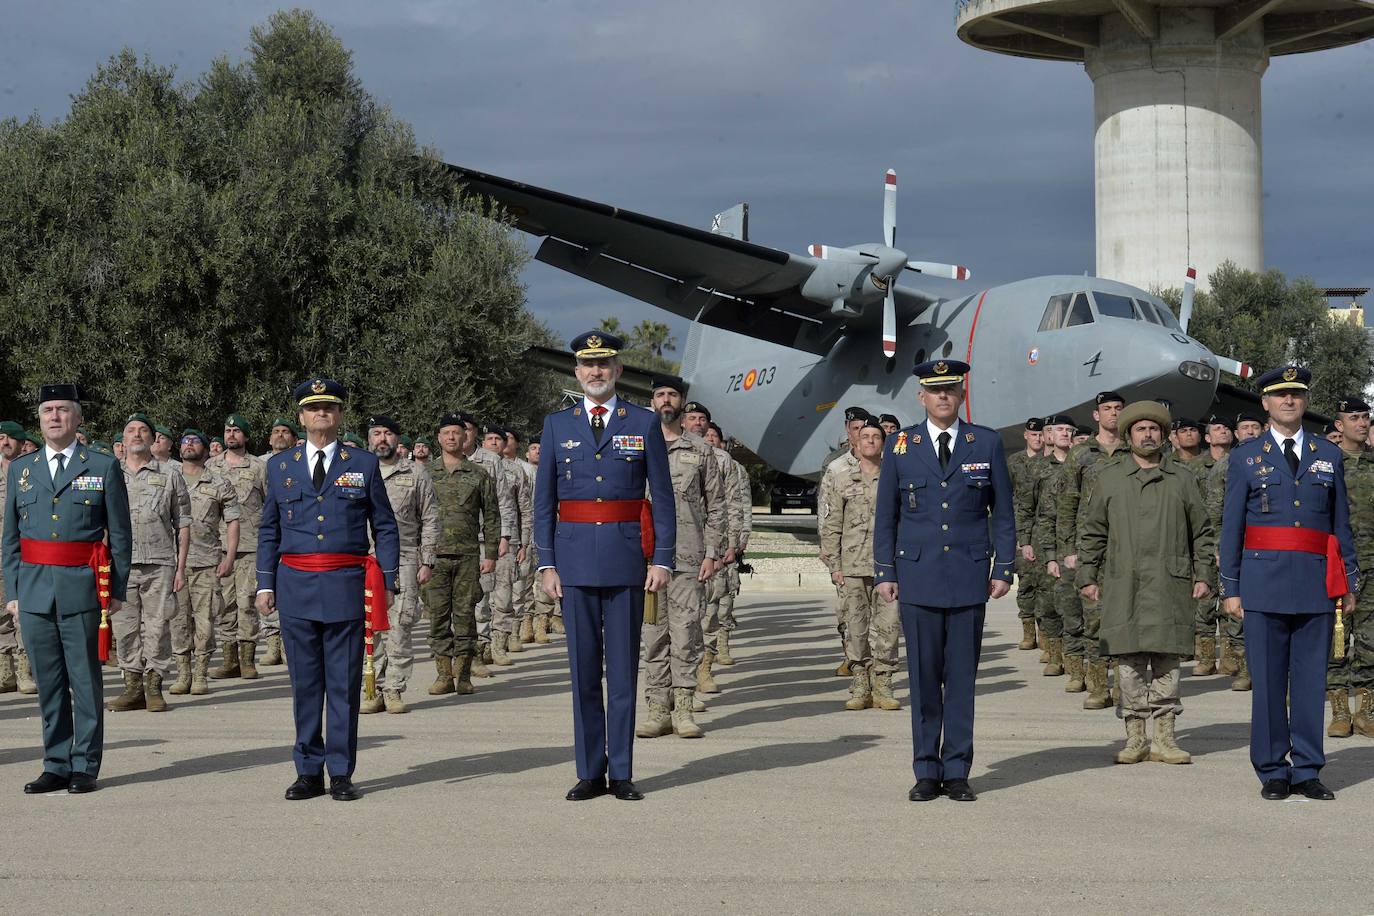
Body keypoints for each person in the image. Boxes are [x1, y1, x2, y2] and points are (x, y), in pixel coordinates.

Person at [535, 330, 675, 802]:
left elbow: (664, 498)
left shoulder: (643, 422)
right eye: (587, 365)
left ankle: (622, 772)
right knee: (582, 672)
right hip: (572, 560)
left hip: (625, 558)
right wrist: (546, 563)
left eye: (604, 364)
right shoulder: (557, 424)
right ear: (577, 372)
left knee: (622, 671)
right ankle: (589, 771)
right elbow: (544, 502)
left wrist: (663, 559)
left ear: (617, 371)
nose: (596, 372)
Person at [874, 359, 1015, 803]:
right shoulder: (901, 445)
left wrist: (1003, 567)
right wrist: (885, 572)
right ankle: (925, 771)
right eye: (935, 391)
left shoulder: (986, 443)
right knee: (922, 678)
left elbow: (1004, 515)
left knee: (960, 680)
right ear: (922, 397)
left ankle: (957, 770)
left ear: (960, 395)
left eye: (951, 389)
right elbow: (886, 518)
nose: (943, 397)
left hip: (969, 578)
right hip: (917, 576)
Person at [255, 377, 400, 802]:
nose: (322, 414)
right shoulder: (280, 465)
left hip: (345, 586)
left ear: (339, 416)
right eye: (314, 408)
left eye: (330, 408)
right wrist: (265, 583)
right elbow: (269, 529)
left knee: (342, 683)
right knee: (304, 685)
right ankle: (307, 771)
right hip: (296, 585)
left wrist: (387, 581)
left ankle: (340, 771)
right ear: (301, 416)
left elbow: (385, 526)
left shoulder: (364, 463)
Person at [1219, 365, 1358, 801]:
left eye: (1297, 394)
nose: (1290, 401)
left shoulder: (1328, 454)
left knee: (1311, 680)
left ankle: (1308, 770)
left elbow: (1341, 525)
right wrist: (1231, 587)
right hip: (1263, 581)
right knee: (1268, 680)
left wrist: (1349, 580)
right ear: (1265, 403)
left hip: (1316, 582)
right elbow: (1231, 526)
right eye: (1281, 395)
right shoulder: (1245, 456)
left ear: (1305, 401)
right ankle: (1273, 769)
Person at [3, 384, 132, 794]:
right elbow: (10, 537)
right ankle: (55, 762)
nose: (54, 417)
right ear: (39, 420)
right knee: (49, 681)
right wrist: (13, 591)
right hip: (35, 589)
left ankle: (84, 765)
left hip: (82, 587)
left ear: (77, 418)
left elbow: (121, 535)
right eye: (47, 411)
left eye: (62, 410)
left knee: (85, 680)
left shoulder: (102, 466)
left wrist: (116, 589)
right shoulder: (22, 469)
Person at [1077, 401, 1214, 764]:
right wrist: (1088, 575)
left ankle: (1165, 738)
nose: (1148, 434)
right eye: (1140, 429)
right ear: (1128, 435)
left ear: (1164, 435)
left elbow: (1202, 532)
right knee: (1130, 660)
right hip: (1126, 584)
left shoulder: (1182, 478)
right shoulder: (1110, 478)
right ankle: (1135, 737)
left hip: (1171, 582)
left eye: (1154, 428)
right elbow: (1092, 532)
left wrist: (1204, 575)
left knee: (1168, 660)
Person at [636, 375, 725, 738]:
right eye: (660, 394)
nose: (666, 400)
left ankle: (684, 708)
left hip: (688, 557)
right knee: (653, 634)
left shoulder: (699, 450)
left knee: (686, 632)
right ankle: (658, 708)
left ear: (683, 401)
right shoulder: (637, 445)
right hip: (645, 560)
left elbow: (716, 505)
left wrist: (713, 552)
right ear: (653, 401)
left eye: (672, 394)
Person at [108, 413, 190, 713]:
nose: (137, 435)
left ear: (154, 439)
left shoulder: (171, 474)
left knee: (158, 626)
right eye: (131, 430)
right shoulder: (110, 473)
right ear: (124, 438)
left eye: (144, 430)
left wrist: (180, 568)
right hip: (121, 564)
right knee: (125, 628)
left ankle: (154, 686)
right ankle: (132, 687)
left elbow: (183, 523)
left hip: (160, 563)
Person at [821, 418, 901, 711]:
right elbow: (831, 523)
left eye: (875, 437)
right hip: (852, 566)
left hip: (887, 567)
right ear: (856, 441)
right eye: (864, 436)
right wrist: (834, 565)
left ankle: (883, 683)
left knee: (889, 627)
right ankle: (859, 683)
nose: (869, 441)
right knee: (856, 627)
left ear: (884, 442)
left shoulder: (895, 477)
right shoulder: (843, 478)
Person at [362, 414, 438, 715]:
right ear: (369, 438)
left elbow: (430, 517)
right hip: (364, 557)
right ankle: (371, 687)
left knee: (400, 623)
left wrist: (427, 560)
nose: (382, 439)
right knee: (368, 625)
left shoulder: (416, 472)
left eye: (388, 433)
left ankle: (393, 688)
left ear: (397, 438)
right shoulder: (357, 469)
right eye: (377, 433)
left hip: (405, 556)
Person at [1056, 392, 1126, 708]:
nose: (1113, 413)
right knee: (1093, 618)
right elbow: (1067, 502)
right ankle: (1099, 687)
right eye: (1107, 409)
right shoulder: (1081, 454)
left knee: (1127, 619)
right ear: (1096, 416)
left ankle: (1127, 687)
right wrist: (1067, 549)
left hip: (1129, 547)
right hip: (1091, 549)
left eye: (1118, 409)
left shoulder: (1134, 450)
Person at [422, 413, 498, 697]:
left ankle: (463, 674)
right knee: (438, 616)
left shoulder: (479, 474)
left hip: (467, 556)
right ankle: (443, 674)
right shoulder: (426, 473)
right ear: (439, 438)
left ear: (466, 437)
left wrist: (490, 553)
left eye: (457, 432)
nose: (452, 437)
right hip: (434, 557)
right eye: (447, 433)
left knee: (465, 615)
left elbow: (491, 515)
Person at [169, 429, 239, 696]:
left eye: (195, 440)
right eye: (185, 441)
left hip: (207, 561)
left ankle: (200, 673)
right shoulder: (168, 479)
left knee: (205, 620)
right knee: (177, 620)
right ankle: (182, 673)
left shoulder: (219, 483)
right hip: (173, 562)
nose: (188, 444)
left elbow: (233, 521)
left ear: (206, 448)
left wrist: (229, 557)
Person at [206, 414, 273, 677]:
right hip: (218, 546)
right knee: (224, 605)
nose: (231, 435)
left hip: (250, 545)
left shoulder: (258, 467)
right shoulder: (211, 466)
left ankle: (247, 660)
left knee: (247, 603)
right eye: (228, 430)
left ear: (245, 437)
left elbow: (270, 504)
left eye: (236, 431)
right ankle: (229, 659)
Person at [1327, 397, 1374, 738]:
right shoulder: (1327, 464)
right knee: (1337, 640)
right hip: (1338, 567)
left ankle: (1366, 711)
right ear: (1339, 426)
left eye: (1365, 417)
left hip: (1373, 565)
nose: (1362, 423)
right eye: (1354, 418)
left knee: (1371, 640)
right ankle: (1340, 710)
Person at [817, 405, 873, 676]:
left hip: (875, 555)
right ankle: (851, 657)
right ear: (848, 432)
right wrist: (829, 554)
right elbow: (826, 512)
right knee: (848, 610)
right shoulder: (836, 467)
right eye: (855, 429)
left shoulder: (885, 463)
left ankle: (872, 662)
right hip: (846, 555)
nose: (861, 434)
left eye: (865, 429)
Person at [1200, 414, 1249, 690]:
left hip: (1264, 549)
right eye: (1245, 428)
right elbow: (1215, 513)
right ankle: (1242, 666)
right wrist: (1219, 548)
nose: (1251, 432)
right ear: (1237, 433)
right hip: (1234, 549)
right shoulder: (1225, 466)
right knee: (1234, 609)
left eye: (1256, 427)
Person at [701, 422, 750, 672]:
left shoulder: (732, 466)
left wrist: (740, 538)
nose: (710, 438)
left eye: (714, 435)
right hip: (697, 541)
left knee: (724, 596)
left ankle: (721, 643)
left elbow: (740, 504)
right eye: (707, 435)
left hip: (724, 543)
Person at [1033, 416, 1076, 676]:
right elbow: (1030, 507)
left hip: (1081, 544)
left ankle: (1077, 665)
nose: (1065, 434)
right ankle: (1056, 656)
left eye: (1069, 430)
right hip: (1049, 542)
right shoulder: (1038, 468)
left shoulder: (1084, 464)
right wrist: (1026, 541)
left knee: (1078, 605)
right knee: (1050, 601)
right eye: (1059, 429)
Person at [0, 420, 38, 694]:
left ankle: (26, 670)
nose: (4, 443)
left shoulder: (33, 471)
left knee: (23, 612)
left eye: (9, 438)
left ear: (21, 442)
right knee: (1, 615)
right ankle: (6, 670)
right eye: (0, 438)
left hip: (25, 554)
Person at [1008, 417, 1045, 651]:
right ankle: (1028, 631)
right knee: (1026, 583)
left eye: (1041, 435)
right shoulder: (1014, 462)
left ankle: (1047, 634)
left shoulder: (1050, 462)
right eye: (1034, 435)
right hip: (1022, 531)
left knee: (1046, 585)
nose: (1038, 439)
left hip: (1044, 531)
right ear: (1026, 436)